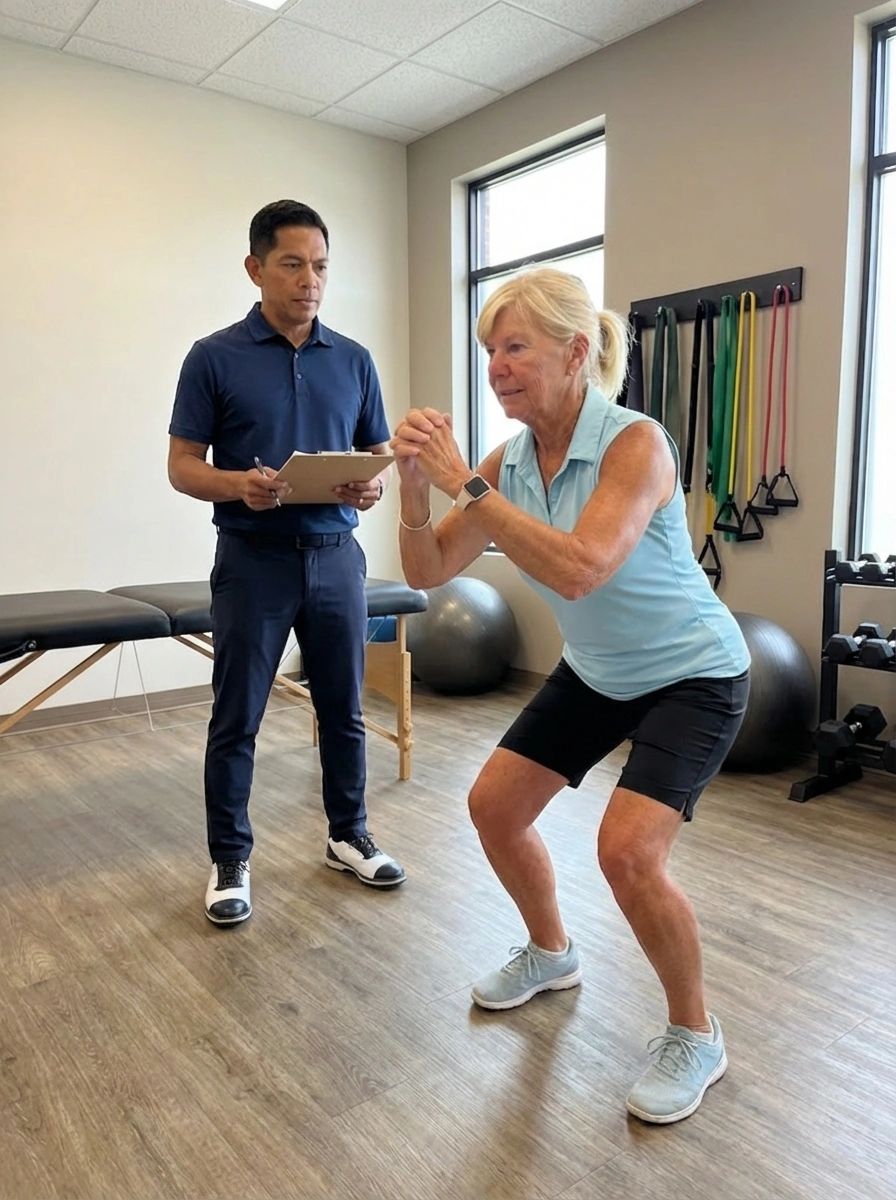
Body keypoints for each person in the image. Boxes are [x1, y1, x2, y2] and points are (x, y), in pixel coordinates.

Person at [390, 267, 749, 1124]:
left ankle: (696, 1033)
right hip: (599, 671)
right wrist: (411, 485)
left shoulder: (636, 444)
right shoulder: (510, 459)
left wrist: (464, 488)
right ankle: (552, 951)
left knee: (627, 853)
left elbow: (583, 569)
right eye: (489, 351)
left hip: (694, 674)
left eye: (514, 347)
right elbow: (428, 569)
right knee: (493, 808)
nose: (496, 366)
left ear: (576, 351)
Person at [168, 199, 406, 926]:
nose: (311, 281)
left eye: (322, 266)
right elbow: (182, 466)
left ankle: (347, 834)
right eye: (294, 264)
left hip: (338, 558)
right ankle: (230, 857)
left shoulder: (355, 360)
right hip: (253, 559)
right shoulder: (214, 357)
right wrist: (238, 484)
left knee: (344, 711)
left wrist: (372, 485)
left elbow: (375, 455)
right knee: (237, 715)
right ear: (256, 268)